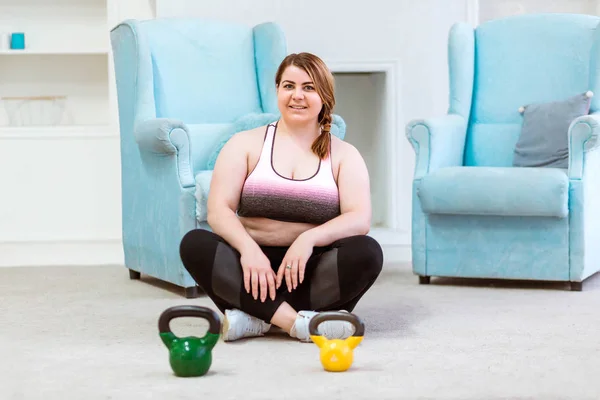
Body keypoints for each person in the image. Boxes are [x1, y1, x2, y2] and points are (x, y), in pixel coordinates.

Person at [179, 52, 383, 342]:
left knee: (367, 252)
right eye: (288, 86)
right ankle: (298, 323)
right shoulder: (244, 144)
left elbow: (359, 219)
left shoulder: (344, 155)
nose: (297, 96)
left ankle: (256, 317)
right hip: (252, 270)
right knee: (194, 243)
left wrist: (307, 239)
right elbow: (219, 210)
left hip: (310, 268)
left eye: (308, 87)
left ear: (324, 95)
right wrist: (249, 250)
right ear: (277, 90)